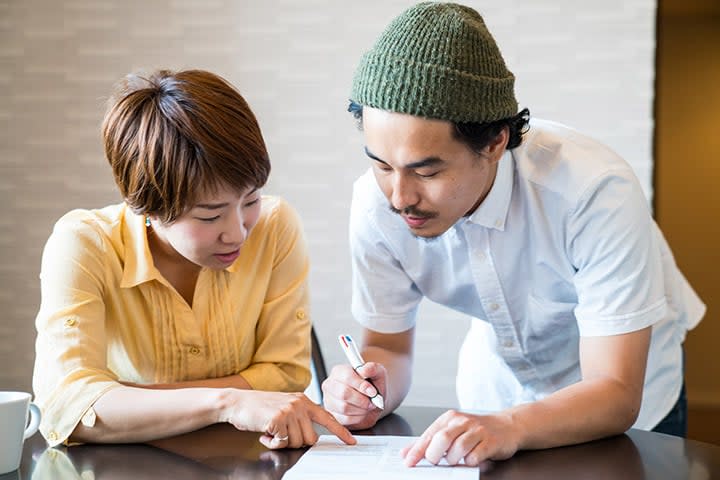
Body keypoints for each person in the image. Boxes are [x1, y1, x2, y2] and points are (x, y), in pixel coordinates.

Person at [321, 2, 705, 467]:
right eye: (381, 164)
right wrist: (366, 392)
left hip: (629, 404)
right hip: (497, 396)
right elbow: (388, 346)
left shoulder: (593, 192)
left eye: (427, 170)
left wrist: (511, 425)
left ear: (496, 141)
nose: (399, 196)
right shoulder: (376, 204)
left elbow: (616, 391)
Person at [32, 69, 355, 450]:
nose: (237, 232)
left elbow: (284, 374)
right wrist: (229, 400)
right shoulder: (85, 243)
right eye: (209, 215)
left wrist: (130, 396)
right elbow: (67, 404)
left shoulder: (274, 226)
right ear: (148, 205)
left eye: (249, 200)